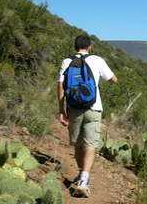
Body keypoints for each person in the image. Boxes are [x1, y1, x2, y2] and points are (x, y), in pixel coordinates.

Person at [57, 35, 118, 197]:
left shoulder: (66, 62)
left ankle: (81, 173)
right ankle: (84, 178)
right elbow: (114, 80)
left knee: (77, 144)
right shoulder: (97, 60)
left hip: (73, 108)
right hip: (94, 107)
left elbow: (60, 86)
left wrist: (62, 110)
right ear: (89, 46)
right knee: (90, 144)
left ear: (74, 46)